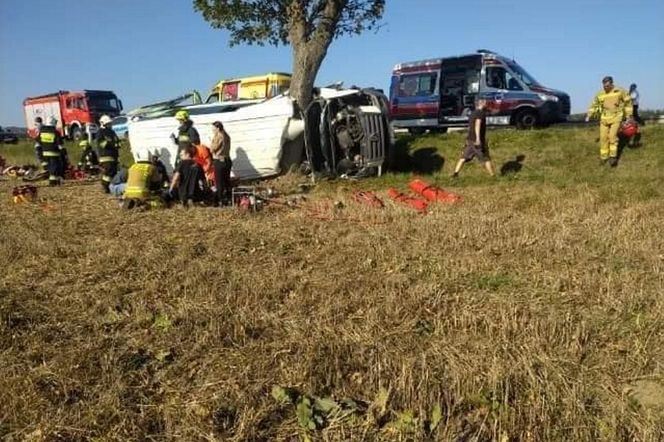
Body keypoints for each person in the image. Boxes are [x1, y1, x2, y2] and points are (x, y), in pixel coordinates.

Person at [586, 76, 633, 167]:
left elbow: (628, 103)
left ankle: (613, 157)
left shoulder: (620, 91)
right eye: (604, 86)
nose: (605, 87)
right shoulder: (600, 94)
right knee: (603, 138)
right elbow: (594, 105)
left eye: (607, 86)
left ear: (612, 84)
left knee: (612, 137)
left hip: (616, 117)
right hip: (604, 119)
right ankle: (604, 157)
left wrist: (629, 116)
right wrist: (589, 115)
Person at [452, 98, 496, 178]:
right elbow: (477, 125)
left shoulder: (473, 113)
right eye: (485, 103)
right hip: (476, 141)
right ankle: (493, 176)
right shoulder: (480, 113)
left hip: (470, 140)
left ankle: (455, 174)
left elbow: (470, 127)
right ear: (481, 103)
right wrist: (478, 139)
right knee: (486, 158)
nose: (486, 104)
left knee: (463, 157)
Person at [95, 114, 122, 192]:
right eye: (108, 124)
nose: (110, 125)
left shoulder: (112, 132)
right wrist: (112, 145)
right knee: (108, 172)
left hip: (114, 155)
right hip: (105, 156)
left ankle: (111, 187)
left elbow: (117, 141)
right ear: (103, 123)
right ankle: (104, 186)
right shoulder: (100, 132)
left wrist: (118, 144)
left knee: (113, 172)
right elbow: (101, 143)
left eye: (110, 123)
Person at [37, 117, 66, 186]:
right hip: (54, 153)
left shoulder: (42, 131)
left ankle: (54, 181)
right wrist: (64, 154)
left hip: (45, 154)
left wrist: (40, 154)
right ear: (54, 123)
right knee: (55, 167)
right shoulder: (55, 132)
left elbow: (38, 143)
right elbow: (60, 145)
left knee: (50, 167)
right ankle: (53, 182)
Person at [210, 121, 233, 205]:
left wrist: (212, 141)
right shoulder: (226, 135)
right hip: (227, 160)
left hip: (219, 161)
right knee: (227, 181)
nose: (212, 130)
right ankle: (229, 198)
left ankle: (220, 200)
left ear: (218, 128)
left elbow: (212, 149)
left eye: (213, 128)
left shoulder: (219, 136)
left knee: (219, 182)